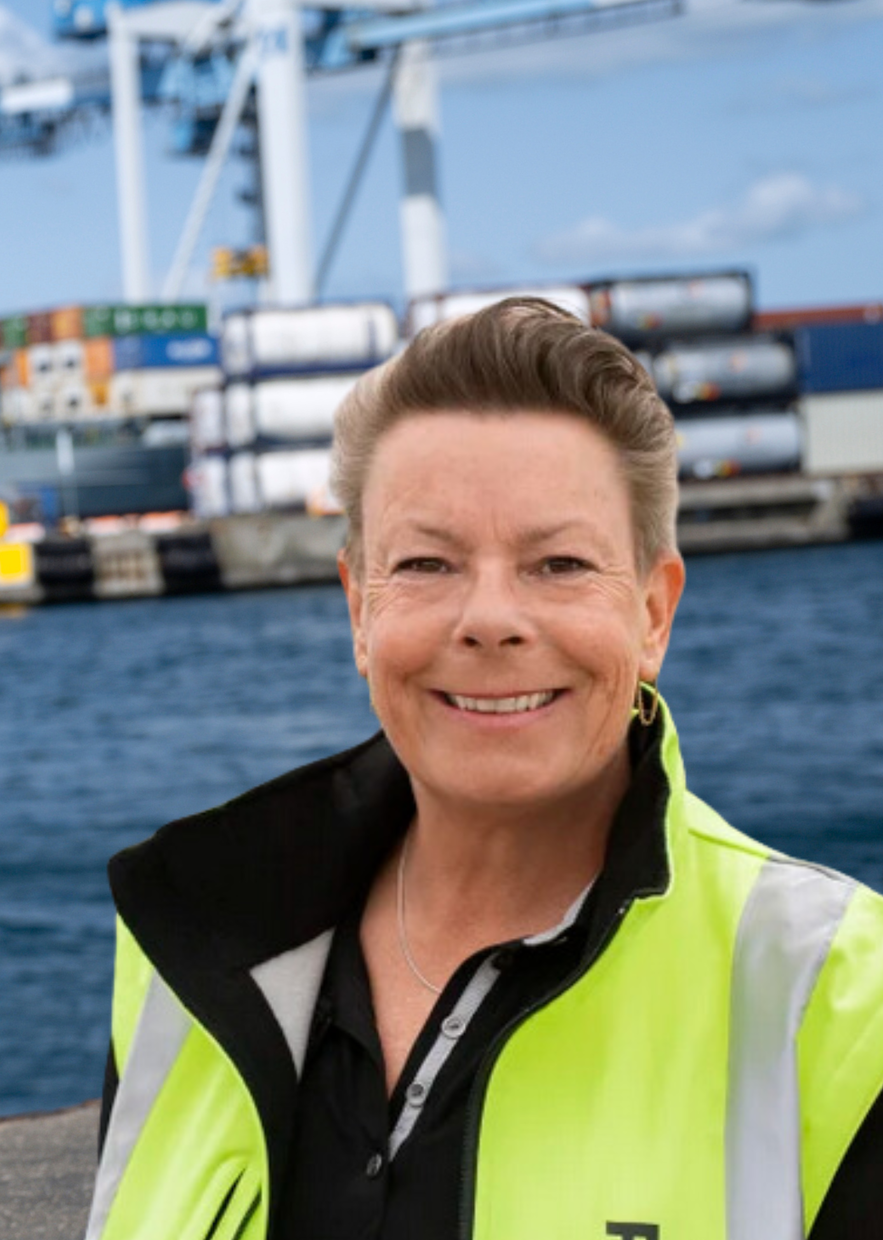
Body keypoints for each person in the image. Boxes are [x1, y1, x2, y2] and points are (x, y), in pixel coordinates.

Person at [86, 299, 883, 1240]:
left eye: (558, 564)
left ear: (653, 614)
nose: (490, 618)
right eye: (426, 564)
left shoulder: (836, 1004)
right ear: (358, 610)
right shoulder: (190, 944)